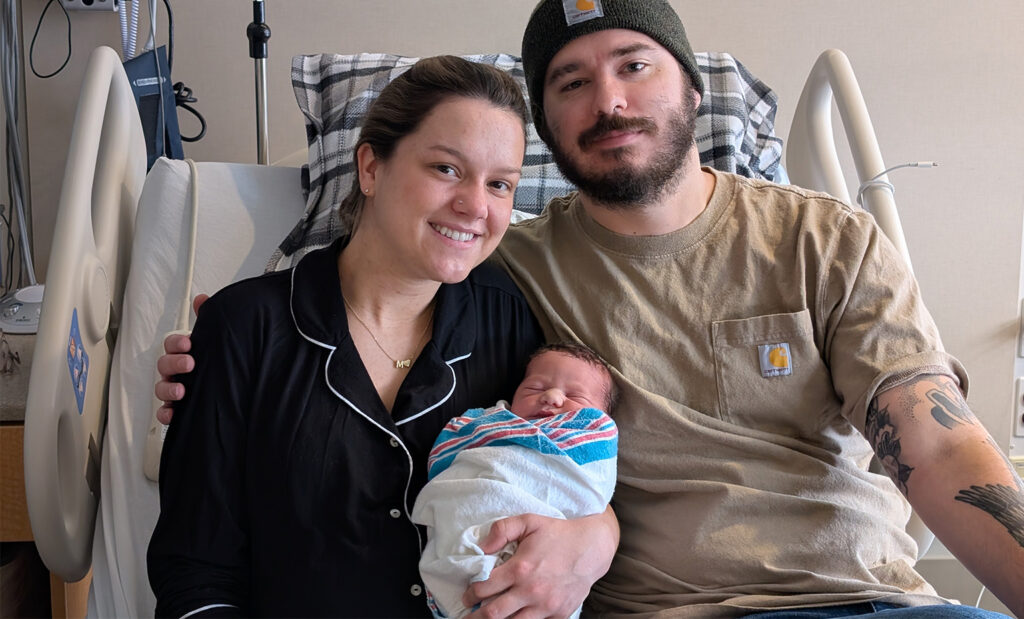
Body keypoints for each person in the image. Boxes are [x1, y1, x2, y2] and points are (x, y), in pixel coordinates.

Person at [158, 1, 1024, 617]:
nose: (608, 101)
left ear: (692, 88)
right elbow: (379, 292)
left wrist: (598, 531)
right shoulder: (510, 273)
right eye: (571, 81)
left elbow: (939, 442)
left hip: (871, 599)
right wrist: (230, 345)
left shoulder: (823, 238)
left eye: (634, 66)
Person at [146, 55, 618, 619]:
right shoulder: (247, 329)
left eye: (500, 184)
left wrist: (597, 538)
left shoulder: (510, 321)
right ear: (371, 168)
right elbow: (196, 572)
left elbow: (568, 470)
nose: (475, 206)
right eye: (446, 169)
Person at [412, 342, 620, 619]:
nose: (551, 397)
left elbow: (592, 491)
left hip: (543, 565)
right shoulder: (486, 426)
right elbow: (450, 464)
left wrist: (599, 536)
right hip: (462, 545)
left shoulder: (592, 442)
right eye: (534, 388)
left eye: (575, 396)